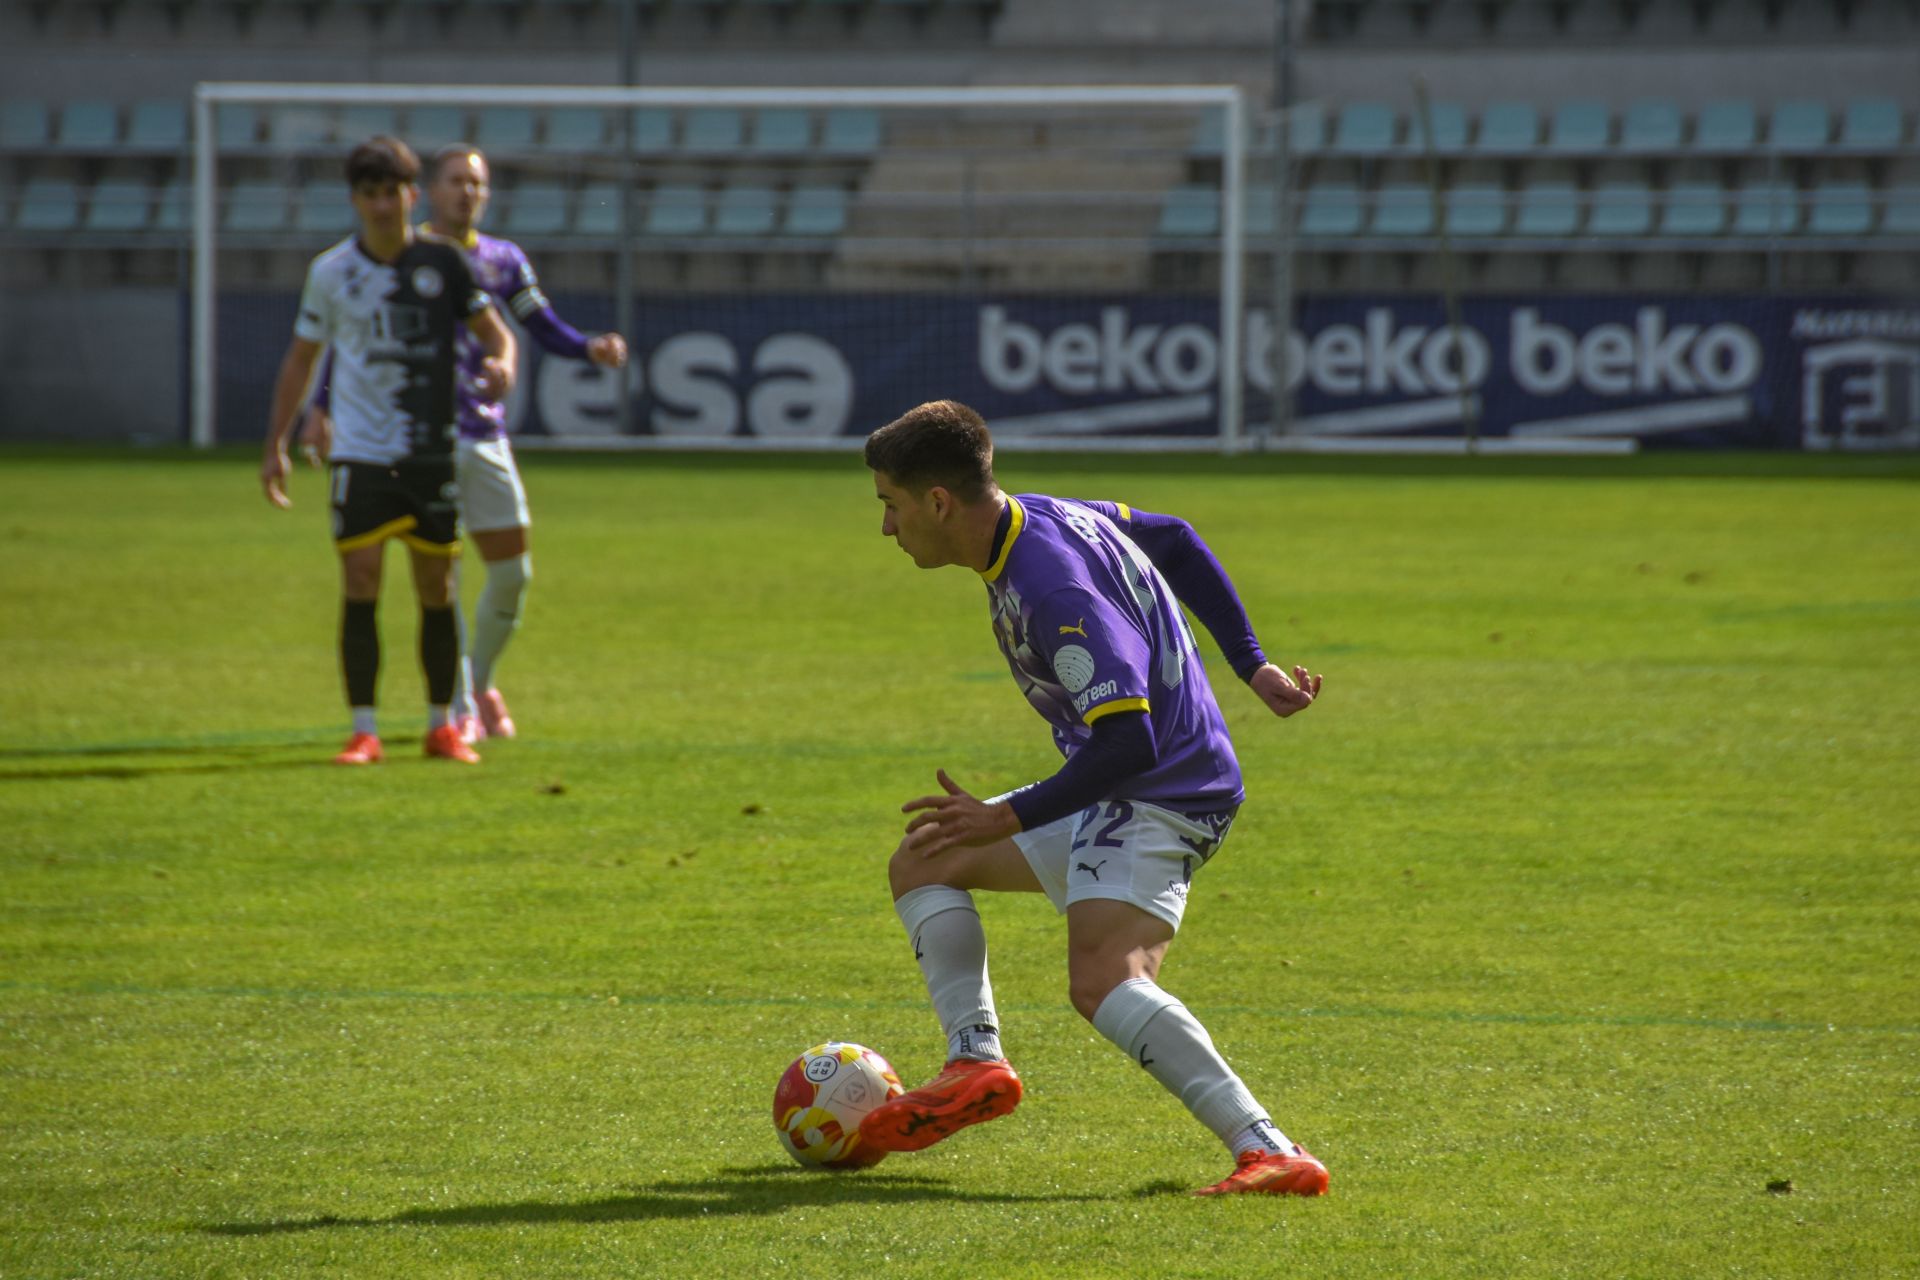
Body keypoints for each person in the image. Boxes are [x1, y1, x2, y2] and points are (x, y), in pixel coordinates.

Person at [856, 400, 1329, 1197]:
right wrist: (1252, 664)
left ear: (937, 502)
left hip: (1162, 790)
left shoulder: (1053, 592)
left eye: (891, 506)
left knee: (1106, 978)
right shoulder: (1047, 516)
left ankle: (1269, 1149)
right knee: (925, 859)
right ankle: (974, 1062)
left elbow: (1128, 743)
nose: (887, 529)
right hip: (1121, 779)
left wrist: (1004, 816)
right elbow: (1173, 535)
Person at [303, 144, 629, 744]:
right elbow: (356, 346)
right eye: (457, 181)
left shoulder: (502, 260)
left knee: (513, 573)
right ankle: (454, 710)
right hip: (417, 440)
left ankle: (478, 679)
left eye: (477, 184)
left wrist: (587, 348)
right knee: (438, 575)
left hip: (482, 432)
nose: (468, 193)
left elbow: (535, 323)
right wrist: (320, 407)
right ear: (431, 189)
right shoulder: (404, 253)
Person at [260, 135, 516, 766]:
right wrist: (277, 443)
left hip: (430, 452)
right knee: (361, 579)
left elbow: (495, 333)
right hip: (361, 455)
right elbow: (302, 358)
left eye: (390, 193)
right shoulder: (331, 272)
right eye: (368, 194)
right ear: (355, 200)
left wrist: (502, 365)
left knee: (436, 583)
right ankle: (364, 728)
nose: (380, 206)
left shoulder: (444, 264)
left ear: (409, 194)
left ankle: (440, 724)